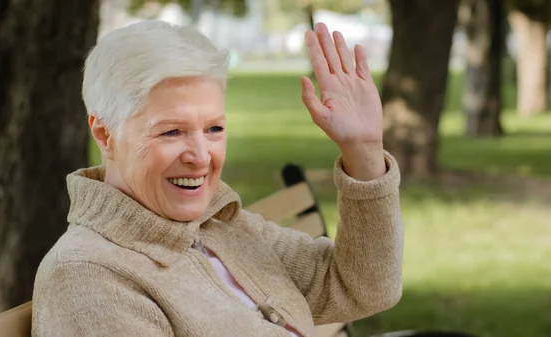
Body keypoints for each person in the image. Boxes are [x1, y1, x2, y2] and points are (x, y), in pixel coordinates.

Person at [31, 20, 403, 337]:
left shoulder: (217, 225)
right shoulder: (86, 276)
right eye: (171, 132)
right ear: (104, 134)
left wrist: (364, 150)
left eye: (214, 128)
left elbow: (363, 288)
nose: (201, 156)